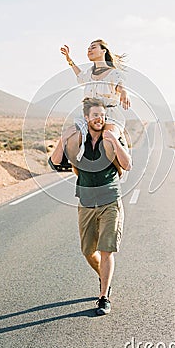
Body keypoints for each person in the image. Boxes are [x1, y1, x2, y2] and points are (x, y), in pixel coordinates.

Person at [49, 97, 132, 316]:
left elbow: (127, 164)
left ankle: (104, 296)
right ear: (86, 118)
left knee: (106, 250)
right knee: (88, 251)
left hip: (110, 200)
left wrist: (114, 140)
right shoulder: (80, 140)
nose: (99, 119)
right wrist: (62, 139)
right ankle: (104, 276)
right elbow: (55, 163)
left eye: (102, 116)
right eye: (95, 115)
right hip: (86, 203)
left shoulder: (110, 137)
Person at [60, 40, 131, 167]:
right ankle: (66, 164)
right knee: (71, 138)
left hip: (109, 115)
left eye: (93, 47)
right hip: (90, 116)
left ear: (103, 51)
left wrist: (124, 92)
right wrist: (69, 60)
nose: (89, 50)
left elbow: (118, 85)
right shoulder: (89, 74)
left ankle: (122, 163)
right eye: (88, 48)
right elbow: (81, 77)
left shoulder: (113, 73)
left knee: (108, 139)